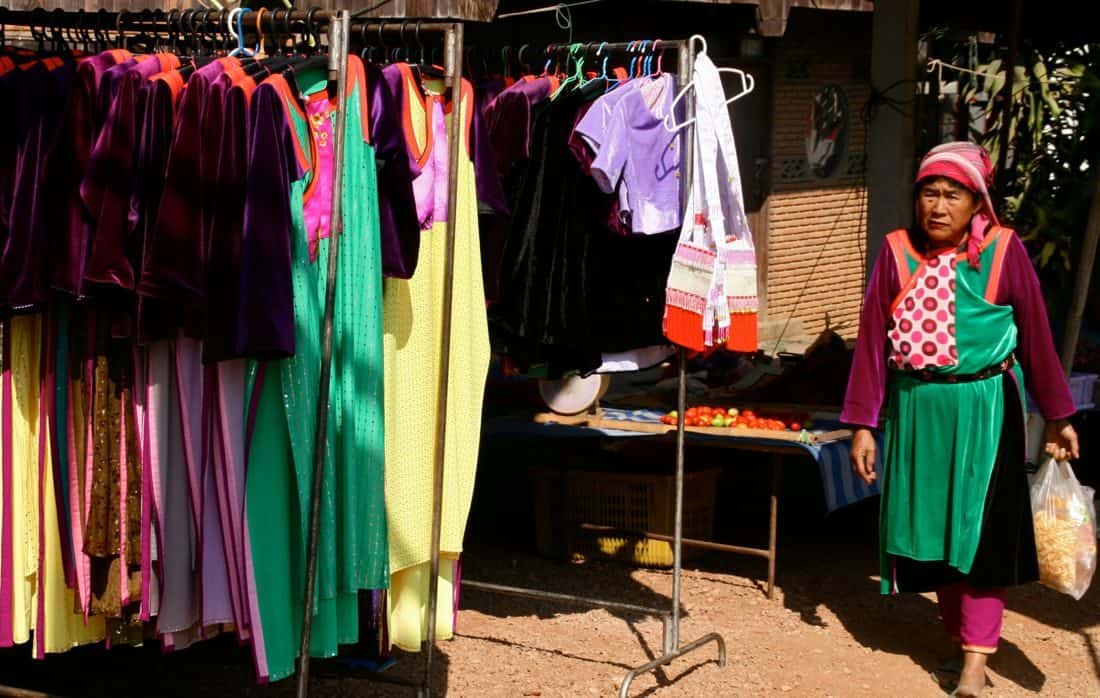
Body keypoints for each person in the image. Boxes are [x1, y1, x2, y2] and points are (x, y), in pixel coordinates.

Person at [841, 142, 1080, 697]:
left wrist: (1057, 414)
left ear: (978, 204)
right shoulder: (896, 252)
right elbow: (873, 343)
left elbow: (1038, 336)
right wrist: (862, 423)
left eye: (953, 195)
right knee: (935, 534)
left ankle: (976, 657)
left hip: (986, 409)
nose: (939, 206)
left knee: (979, 535)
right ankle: (961, 636)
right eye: (930, 193)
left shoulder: (1002, 251)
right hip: (917, 413)